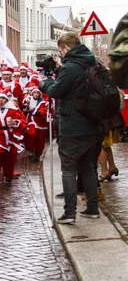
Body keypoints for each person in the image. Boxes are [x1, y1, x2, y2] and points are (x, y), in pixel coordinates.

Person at [40, 32, 104, 223]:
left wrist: (45, 82)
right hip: (94, 125)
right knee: (87, 168)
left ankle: (69, 213)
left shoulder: (71, 67)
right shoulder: (94, 63)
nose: (60, 54)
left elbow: (55, 91)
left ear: (66, 48)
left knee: (68, 168)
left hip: (73, 126)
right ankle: (92, 208)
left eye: (61, 51)